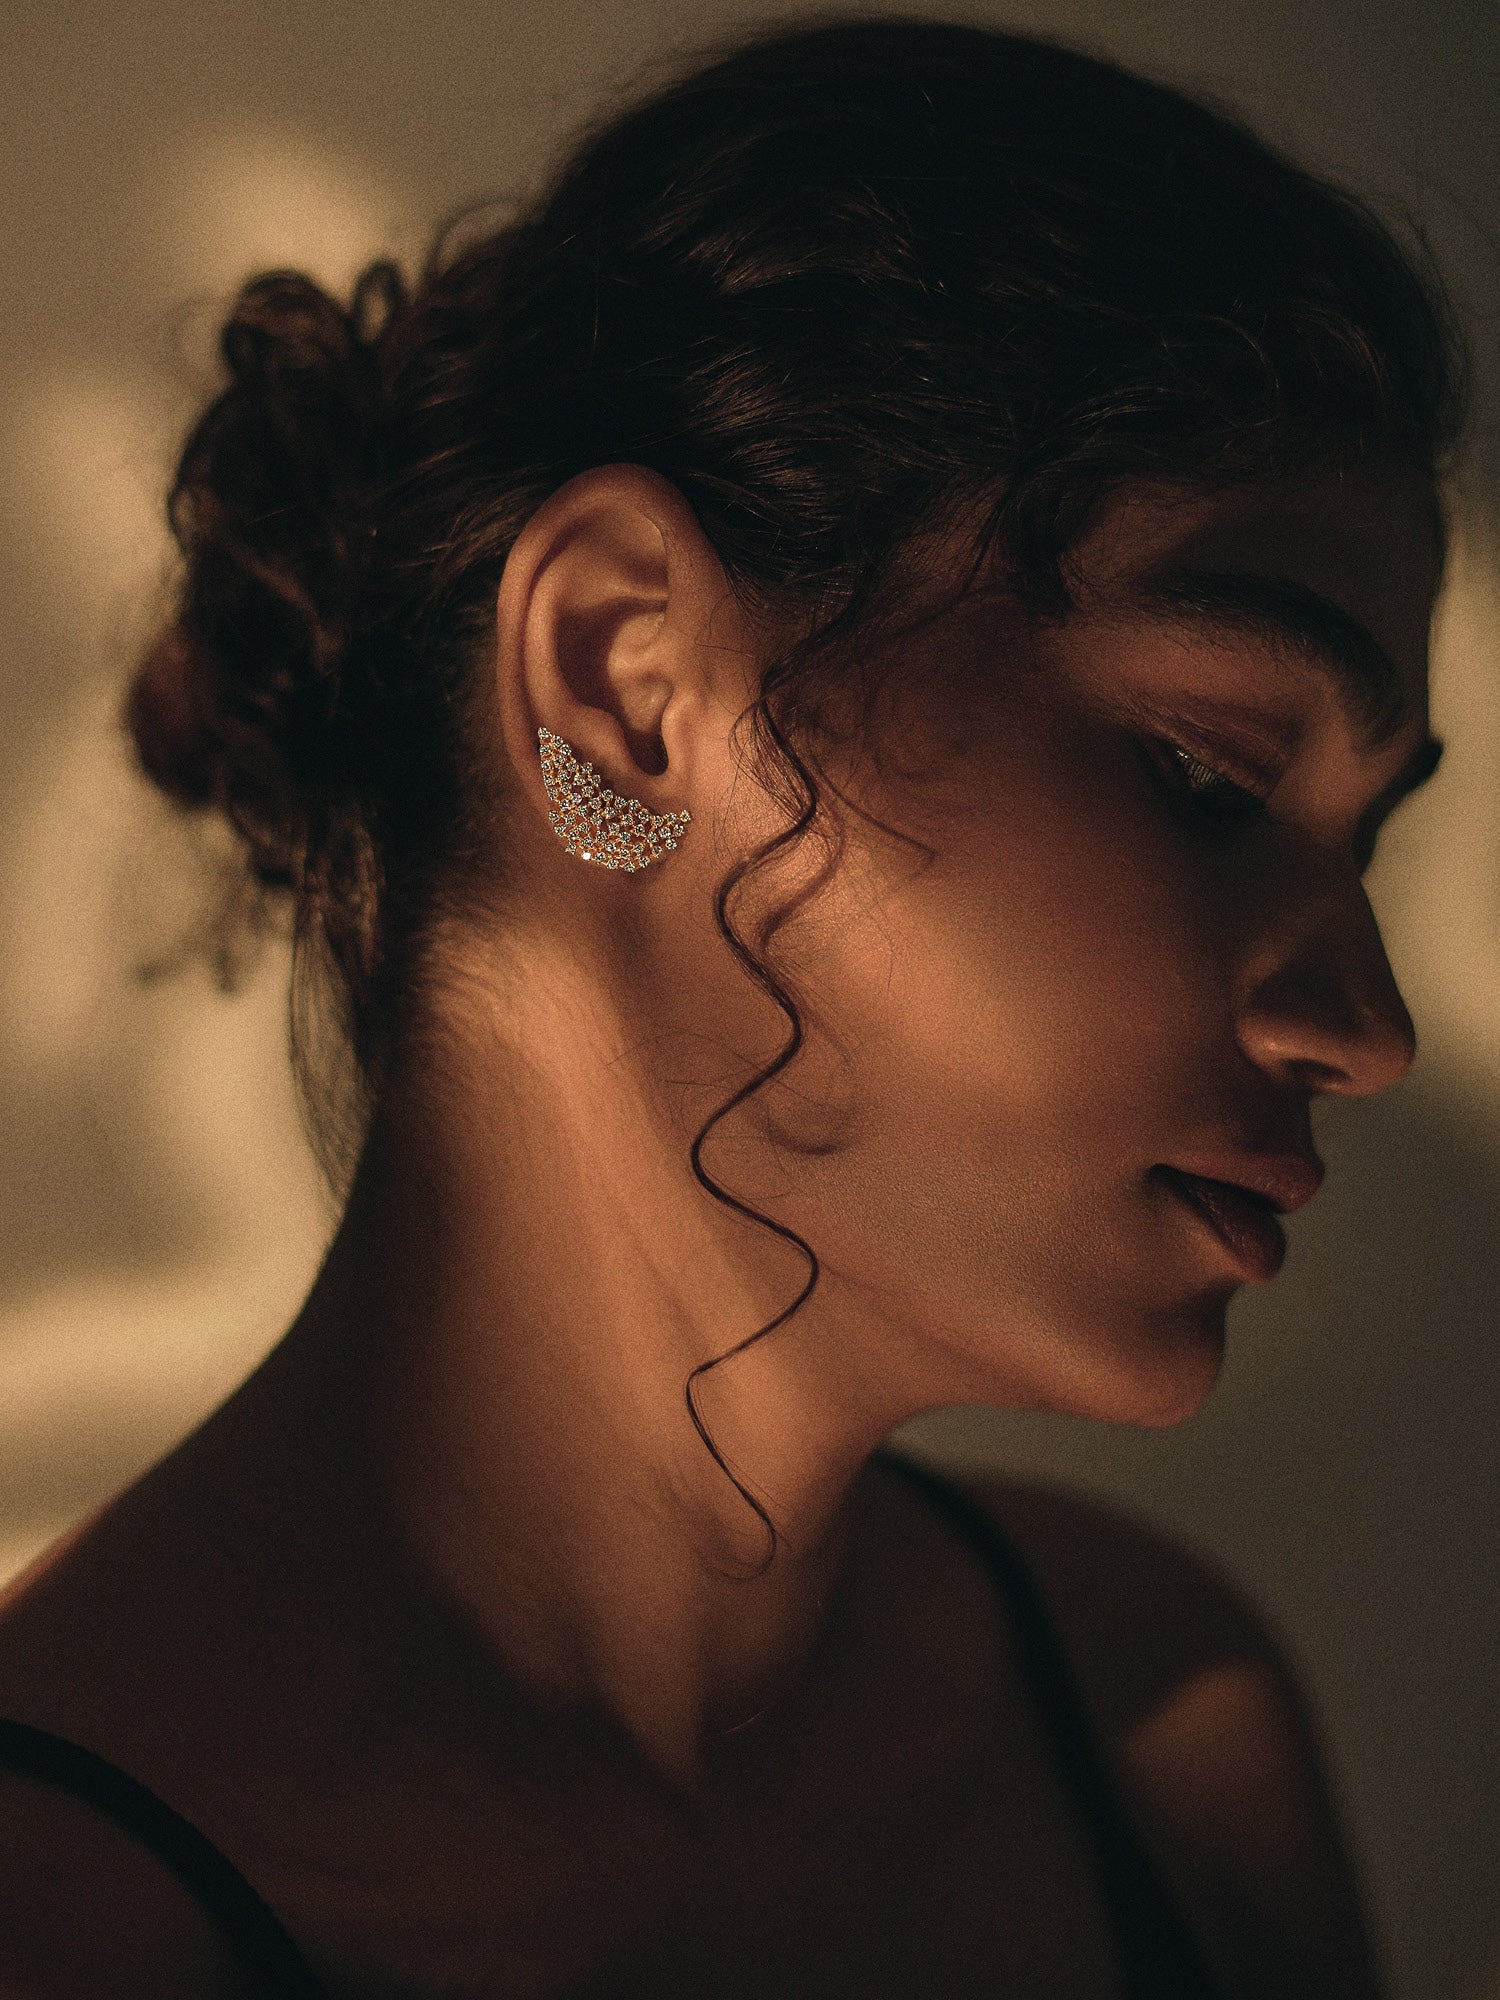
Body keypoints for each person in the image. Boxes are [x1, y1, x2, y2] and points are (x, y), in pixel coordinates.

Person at [0, 14, 1469, 1996]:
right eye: (1208, 775)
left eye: (1358, 843)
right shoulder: (68, 1916)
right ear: (630, 674)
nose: (1366, 1029)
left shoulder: (1155, 1715)